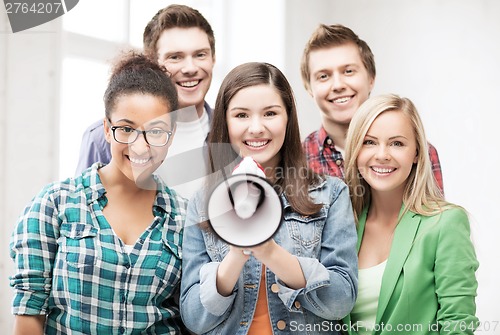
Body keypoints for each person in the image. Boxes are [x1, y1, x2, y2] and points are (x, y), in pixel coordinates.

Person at [10, 52, 188, 334]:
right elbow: (29, 314)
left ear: (172, 134)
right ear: (106, 128)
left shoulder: (184, 218)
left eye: (156, 131)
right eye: (126, 129)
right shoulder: (54, 204)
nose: (140, 147)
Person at [180, 62, 358, 334]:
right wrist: (238, 252)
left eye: (270, 113)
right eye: (241, 115)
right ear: (224, 122)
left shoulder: (330, 194)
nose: (256, 128)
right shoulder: (203, 203)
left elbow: (341, 300)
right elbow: (194, 318)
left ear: (288, 118)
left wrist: (269, 252)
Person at [342, 94, 479, 334]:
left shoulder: (445, 223)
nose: (382, 154)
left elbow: (458, 324)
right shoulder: (343, 225)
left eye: (397, 143)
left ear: (417, 152)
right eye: (369, 142)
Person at [75, 4, 216, 199]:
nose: (190, 68)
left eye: (200, 55)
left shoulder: (233, 131)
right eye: (175, 57)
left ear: (213, 59)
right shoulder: (101, 137)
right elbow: (83, 208)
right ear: (152, 62)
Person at [300, 24, 444, 193]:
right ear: (309, 88)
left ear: (371, 79)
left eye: (348, 71)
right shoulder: (297, 161)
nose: (338, 85)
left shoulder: (418, 153)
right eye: (323, 76)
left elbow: (436, 217)